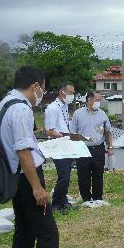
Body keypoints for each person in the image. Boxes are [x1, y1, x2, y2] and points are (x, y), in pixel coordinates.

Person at [0, 66, 61, 248]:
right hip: (26, 178)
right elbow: (23, 151)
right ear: (36, 86)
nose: (41, 94)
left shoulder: (4, 103)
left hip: (13, 176)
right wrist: (37, 187)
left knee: (24, 228)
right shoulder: (22, 109)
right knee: (48, 233)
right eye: (42, 88)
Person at [70, 90, 114, 202]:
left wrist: (110, 147)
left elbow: (108, 132)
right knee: (83, 175)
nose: (99, 102)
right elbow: (72, 133)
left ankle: (97, 198)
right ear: (89, 100)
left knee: (98, 174)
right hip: (83, 148)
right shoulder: (78, 114)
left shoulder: (102, 114)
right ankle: (86, 198)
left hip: (98, 148)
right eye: (97, 100)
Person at [44, 81, 75, 212]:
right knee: (63, 176)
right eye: (70, 93)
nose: (72, 95)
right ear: (62, 92)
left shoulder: (64, 106)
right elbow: (49, 131)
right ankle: (56, 204)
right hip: (58, 145)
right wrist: (64, 137)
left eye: (73, 93)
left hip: (66, 143)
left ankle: (63, 200)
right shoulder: (52, 108)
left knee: (67, 173)